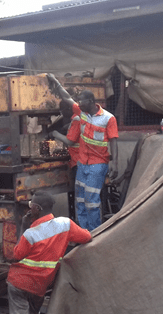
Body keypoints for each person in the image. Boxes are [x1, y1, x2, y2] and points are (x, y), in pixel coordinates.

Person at [46, 74, 119, 231]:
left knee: (91, 201)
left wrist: (115, 163)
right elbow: (67, 98)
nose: (78, 104)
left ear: (91, 102)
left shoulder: (108, 118)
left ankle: (94, 233)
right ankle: (84, 233)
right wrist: (55, 81)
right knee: (80, 200)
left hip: (98, 164)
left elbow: (113, 140)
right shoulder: (82, 113)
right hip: (82, 164)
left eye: (82, 101)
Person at [6, 191, 92, 314]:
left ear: (37, 208)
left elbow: (16, 255)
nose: (29, 207)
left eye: (31, 205)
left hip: (19, 283)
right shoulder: (65, 224)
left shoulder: (30, 234)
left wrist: (23, 227)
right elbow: (87, 237)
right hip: (40, 286)